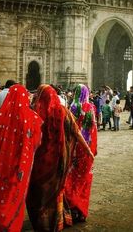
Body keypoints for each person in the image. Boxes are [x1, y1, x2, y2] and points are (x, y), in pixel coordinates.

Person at [26, 84, 94, 231]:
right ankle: (56, 220)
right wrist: (88, 150)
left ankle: (41, 221)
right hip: (58, 160)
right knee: (55, 190)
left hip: (37, 162)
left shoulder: (33, 112)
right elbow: (76, 132)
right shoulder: (62, 111)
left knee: (39, 192)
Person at [0, 84, 43, 232]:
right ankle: (10, 224)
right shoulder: (33, 118)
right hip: (20, 166)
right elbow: (38, 142)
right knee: (14, 193)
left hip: (0, 163)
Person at [65, 83, 97, 222]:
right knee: (83, 179)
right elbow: (93, 130)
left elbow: (68, 129)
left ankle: (70, 207)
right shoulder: (90, 108)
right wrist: (92, 149)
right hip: (86, 149)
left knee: (71, 178)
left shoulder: (71, 107)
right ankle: (80, 210)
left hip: (73, 148)